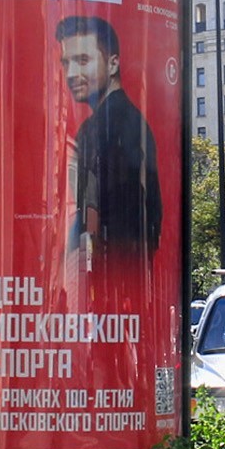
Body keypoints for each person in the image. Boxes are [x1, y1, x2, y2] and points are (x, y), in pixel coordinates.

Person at [55, 14, 161, 266]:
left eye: (83, 60)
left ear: (113, 64)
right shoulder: (124, 120)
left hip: (106, 272)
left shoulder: (105, 128)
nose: (71, 73)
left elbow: (106, 214)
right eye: (66, 63)